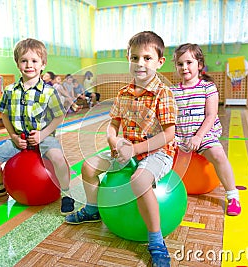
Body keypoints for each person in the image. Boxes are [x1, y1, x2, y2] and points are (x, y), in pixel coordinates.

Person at [65, 31, 177, 267]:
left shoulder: (163, 93)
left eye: (147, 58)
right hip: (126, 151)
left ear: (160, 62)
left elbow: (168, 135)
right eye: (134, 57)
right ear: (128, 58)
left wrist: (135, 150)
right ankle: (92, 209)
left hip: (158, 153)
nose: (140, 64)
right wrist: (114, 141)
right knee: (88, 167)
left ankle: (156, 240)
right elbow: (112, 125)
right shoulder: (123, 93)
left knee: (138, 181)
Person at [0, 38, 75, 216]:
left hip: (45, 138)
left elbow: (59, 116)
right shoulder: (9, 91)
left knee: (58, 159)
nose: (29, 65)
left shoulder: (49, 91)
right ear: (17, 64)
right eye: (24, 60)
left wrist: (42, 135)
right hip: (19, 140)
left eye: (34, 61)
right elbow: (4, 114)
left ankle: (67, 194)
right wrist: (13, 137)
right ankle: (0, 187)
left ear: (43, 64)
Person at [171, 43, 241, 216]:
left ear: (199, 65)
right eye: (180, 64)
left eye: (189, 62)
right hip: (180, 136)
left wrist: (198, 137)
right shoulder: (172, 91)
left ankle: (232, 196)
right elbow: (170, 118)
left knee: (218, 154)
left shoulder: (207, 87)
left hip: (203, 135)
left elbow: (211, 115)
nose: (184, 67)